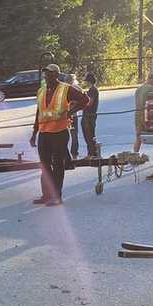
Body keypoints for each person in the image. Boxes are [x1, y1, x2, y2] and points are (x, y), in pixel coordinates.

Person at [30, 64, 90, 206]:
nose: (46, 76)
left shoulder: (66, 88)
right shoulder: (41, 91)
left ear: (56, 75)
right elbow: (39, 113)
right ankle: (46, 195)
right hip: (44, 133)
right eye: (45, 74)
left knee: (57, 165)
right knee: (44, 165)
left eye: (50, 74)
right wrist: (34, 133)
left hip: (59, 132)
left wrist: (70, 112)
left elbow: (85, 100)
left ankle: (57, 197)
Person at [133, 71, 153, 152]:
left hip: (137, 114)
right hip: (146, 114)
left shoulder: (139, 88)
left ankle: (135, 155)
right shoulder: (152, 88)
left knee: (139, 136)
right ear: (152, 79)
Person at [81, 73, 100, 156]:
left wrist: (80, 104)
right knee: (88, 135)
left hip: (89, 115)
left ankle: (92, 153)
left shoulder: (93, 90)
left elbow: (89, 103)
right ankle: (91, 153)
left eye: (86, 81)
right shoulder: (91, 90)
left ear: (89, 81)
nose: (85, 83)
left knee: (89, 135)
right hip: (88, 115)